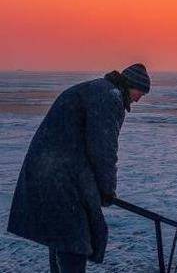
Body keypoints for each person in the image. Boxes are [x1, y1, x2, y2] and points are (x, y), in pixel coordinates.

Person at [7, 64, 151, 272]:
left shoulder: (97, 89)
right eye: (141, 93)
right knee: (74, 238)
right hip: (62, 176)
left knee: (62, 237)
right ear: (132, 86)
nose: (138, 99)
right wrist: (107, 190)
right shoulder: (109, 96)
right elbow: (104, 149)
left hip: (48, 170)